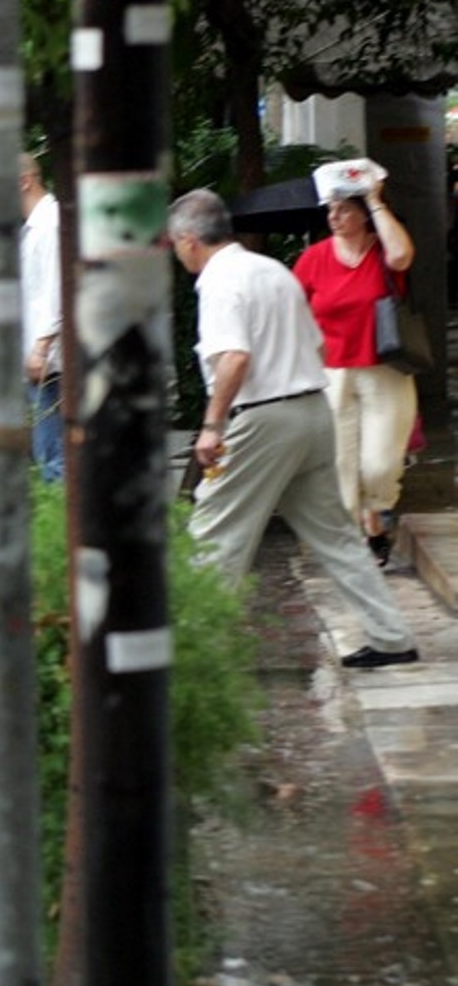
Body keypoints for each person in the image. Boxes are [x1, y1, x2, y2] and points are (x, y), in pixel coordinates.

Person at [170, 188, 417, 669]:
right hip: (311, 409)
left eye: (176, 243)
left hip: (264, 417)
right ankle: (391, 637)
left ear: (188, 239)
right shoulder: (271, 271)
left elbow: (234, 358)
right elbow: (316, 346)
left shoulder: (221, 281)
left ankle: (193, 652)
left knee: (214, 528)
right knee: (336, 535)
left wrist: (212, 425)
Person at [292, 173, 418, 564]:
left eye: (344, 210)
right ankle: (361, 540)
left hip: (384, 369)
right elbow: (294, 311)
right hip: (330, 373)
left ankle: (376, 510)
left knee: (380, 464)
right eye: (331, 210)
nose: (334, 216)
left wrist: (375, 200)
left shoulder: (383, 252)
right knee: (340, 466)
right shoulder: (314, 258)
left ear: (364, 216)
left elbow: (402, 257)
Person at [19, 153, 66, 482]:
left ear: (24, 181)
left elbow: (57, 288)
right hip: (44, 361)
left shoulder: (50, 223)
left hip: (50, 363)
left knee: (54, 458)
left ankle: (65, 531)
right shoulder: (37, 226)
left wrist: (40, 348)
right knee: (50, 454)